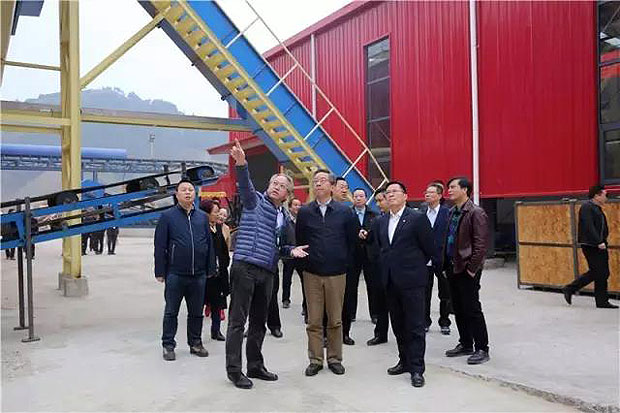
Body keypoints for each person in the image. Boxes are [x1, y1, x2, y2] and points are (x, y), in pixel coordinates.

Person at [225, 140, 308, 390]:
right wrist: (242, 164)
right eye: (274, 183)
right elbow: (245, 185)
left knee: (259, 322)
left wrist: (290, 250)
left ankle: (255, 365)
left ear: (287, 195)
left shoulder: (283, 217)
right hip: (245, 267)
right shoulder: (255, 201)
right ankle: (234, 371)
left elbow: (279, 245)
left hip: (268, 271)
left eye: (282, 186)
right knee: (237, 322)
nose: (276, 187)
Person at [296, 169, 356, 377]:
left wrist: (343, 263)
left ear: (332, 186)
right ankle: (315, 360)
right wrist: (305, 267)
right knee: (313, 320)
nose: (318, 184)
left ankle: (334, 358)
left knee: (335, 320)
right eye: (315, 181)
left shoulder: (344, 212)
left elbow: (352, 242)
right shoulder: (305, 212)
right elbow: (300, 241)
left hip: (336, 273)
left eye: (322, 180)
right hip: (312, 273)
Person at [375, 181, 434, 388]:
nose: (390, 195)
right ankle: (404, 360)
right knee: (398, 324)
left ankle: (417, 368)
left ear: (405, 196)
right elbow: (382, 248)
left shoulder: (417, 218)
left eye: (395, 191)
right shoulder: (382, 221)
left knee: (415, 326)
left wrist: (413, 266)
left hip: (412, 281)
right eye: (387, 192)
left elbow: (429, 247)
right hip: (390, 280)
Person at [154, 178, 215, 362]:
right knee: (171, 311)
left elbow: (209, 243)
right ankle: (168, 345)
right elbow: (160, 245)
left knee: (196, 312)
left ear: (195, 194)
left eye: (190, 190)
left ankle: (195, 343)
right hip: (175, 274)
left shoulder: (202, 217)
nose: (188, 192)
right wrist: (160, 271)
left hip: (198, 275)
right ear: (177, 194)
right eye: (184, 190)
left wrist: (210, 267)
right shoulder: (168, 217)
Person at [443, 176, 490, 365]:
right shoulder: (452, 212)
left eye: (453, 187)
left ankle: (482, 348)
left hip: (466, 269)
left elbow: (481, 245)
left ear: (465, 190)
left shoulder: (476, 212)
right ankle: (465, 343)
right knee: (458, 307)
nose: (449, 190)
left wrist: (472, 269)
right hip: (452, 266)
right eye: (448, 187)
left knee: (472, 308)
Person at [563, 185, 617, 309]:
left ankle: (601, 301)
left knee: (602, 272)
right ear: (597, 195)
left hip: (600, 244)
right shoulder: (587, 207)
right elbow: (589, 226)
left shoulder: (596, 208)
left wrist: (603, 240)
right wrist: (598, 241)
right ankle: (570, 288)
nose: (607, 198)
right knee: (598, 271)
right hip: (591, 245)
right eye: (605, 195)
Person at [342, 188, 378, 345]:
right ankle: (350, 314)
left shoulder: (373, 215)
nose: (358, 198)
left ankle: (374, 313)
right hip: (353, 253)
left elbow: (376, 233)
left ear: (366, 198)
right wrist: (356, 233)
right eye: (355, 196)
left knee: (372, 285)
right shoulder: (348, 213)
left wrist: (367, 234)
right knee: (351, 286)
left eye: (361, 196)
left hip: (369, 253)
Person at [421, 182, 452, 334]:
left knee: (444, 293)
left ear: (440, 195)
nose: (427, 195)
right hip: (424, 259)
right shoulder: (421, 212)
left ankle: (444, 321)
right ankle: (425, 321)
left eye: (431, 192)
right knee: (424, 292)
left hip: (442, 258)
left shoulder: (447, 213)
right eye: (426, 192)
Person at [200, 199, 230, 341]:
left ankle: (216, 331)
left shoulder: (218, 228)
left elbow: (224, 249)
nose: (218, 215)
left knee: (218, 304)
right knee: (199, 305)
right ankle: (196, 335)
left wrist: (224, 264)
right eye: (215, 212)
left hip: (218, 274)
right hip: (205, 274)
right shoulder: (201, 229)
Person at [366, 187, 390, 346]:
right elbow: (372, 242)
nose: (378, 204)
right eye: (377, 201)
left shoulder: (410, 218)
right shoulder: (376, 221)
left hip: (399, 269)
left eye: (381, 200)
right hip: (379, 268)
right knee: (380, 303)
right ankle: (381, 334)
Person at [281, 198, 304, 311]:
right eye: (295, 205)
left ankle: (306, 304)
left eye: (299, 205)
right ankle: (285, 299)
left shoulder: (304, 221)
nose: (297, 207)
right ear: (290, 207)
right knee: (287, 278)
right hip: (289, 254)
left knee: (304, 280)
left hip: (301, 254)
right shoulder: (285, 221)